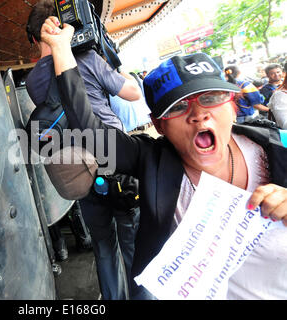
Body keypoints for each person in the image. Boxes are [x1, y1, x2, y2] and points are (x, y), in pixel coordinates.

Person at [40, 16, 287, 300]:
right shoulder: (153, 161)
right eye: (179, 106)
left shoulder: (278, 149)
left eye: (210, 98)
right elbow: (92, 133)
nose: (199, 115)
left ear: (232, 107)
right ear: (159, 126)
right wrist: (60, 49)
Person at [25, 0, 142, 300]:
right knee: (132, 241)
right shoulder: (88, 57)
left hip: (80, 170)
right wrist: (117, 69)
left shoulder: (33, 80)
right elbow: (132, 93)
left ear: (34, 37)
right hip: (115, 157)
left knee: (104, 246)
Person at [267, 62, 287, 129]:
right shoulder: (280, 94)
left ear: (283, 73)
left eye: (278, 72)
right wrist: (270, 109)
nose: (276, 75)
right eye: (272, 73)